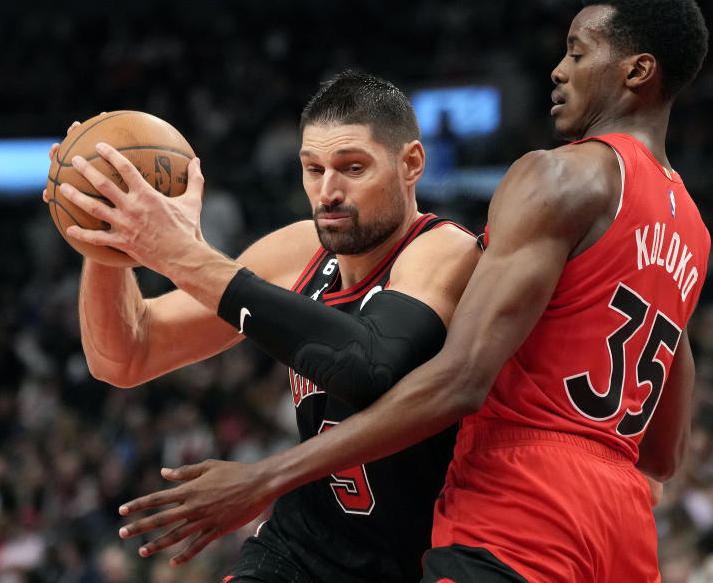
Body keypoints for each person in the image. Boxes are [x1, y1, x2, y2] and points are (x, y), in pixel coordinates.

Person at [99, 0, 711, 581]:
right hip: (622, 514)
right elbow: (661, 453)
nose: (557, 69)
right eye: (313, 169)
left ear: (636, 71)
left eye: (577, 52)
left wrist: (265, 475)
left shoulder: (554, 180)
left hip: (522, 498)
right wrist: (104, 232)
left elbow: (456, 379)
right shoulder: (690, 233)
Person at [50, 70, 481, 582]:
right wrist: (110, 233)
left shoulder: (444, 249)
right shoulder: (299, 250)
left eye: (353, 168)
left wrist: (180, 255)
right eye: (313, 169)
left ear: (411, 164)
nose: (329, 191)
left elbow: (368, 364)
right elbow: (125, 355)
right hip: (303, 549)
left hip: (419, 555)